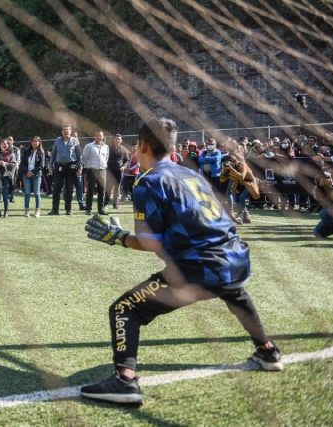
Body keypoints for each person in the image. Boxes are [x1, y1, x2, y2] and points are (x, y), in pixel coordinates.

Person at [81, 117, 282, 405]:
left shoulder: (148, 182)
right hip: (236, 258)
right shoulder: (192, 174)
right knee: (233, 291)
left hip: (201, 268)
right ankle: (268, 351)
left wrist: (117, 236)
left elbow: (151, 242)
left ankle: (125, 380)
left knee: (124, 309)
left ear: (141, 146)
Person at [48, 124, 82, 216]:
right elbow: (53, 154)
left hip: (71, 167)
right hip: (59, 167)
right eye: (64, 130)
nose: (66, 131)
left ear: (70, 131)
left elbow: (79, 156)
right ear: (61, 131)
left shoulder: (75, 141)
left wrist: (80, 168)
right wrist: (50, 166)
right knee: (56, 189)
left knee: (69, 189)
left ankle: (68, 209)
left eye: (67, 129)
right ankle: (55, 210)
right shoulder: (57, 141)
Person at [220, 154, 261, 224]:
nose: (228, 164)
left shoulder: (242, 165)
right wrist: (224, 171)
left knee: (242, 197)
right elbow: (222, 180)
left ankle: (240, 215)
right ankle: (246, 216)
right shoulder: (227, 167)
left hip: (249, 183)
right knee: (237, 198)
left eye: (229, 162)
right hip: (239, 184)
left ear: (234, 162)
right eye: (226, 162)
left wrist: (231, 169)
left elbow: (241, 177)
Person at [82, 130, 110, 215]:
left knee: (102, 191)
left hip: (102, 170)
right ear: (94, 136)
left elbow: (106, 158)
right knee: (90, 190)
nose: (99, 137)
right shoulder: (89, 146)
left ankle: (101, 209)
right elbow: (84, 158)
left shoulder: (106, 147)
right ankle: (88, 209)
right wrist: (88, 166)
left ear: (103, 136)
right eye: (97, 135)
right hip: (92, 170)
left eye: (100, 135)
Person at [0, 138, 17, 217]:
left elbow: (14, 164)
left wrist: (5, 164)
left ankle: (6, 211)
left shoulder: (11, 154)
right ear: (0, 145)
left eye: (5, 144)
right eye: (2, 144)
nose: (3, 145)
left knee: (5, 194)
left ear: (8, 145)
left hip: (6, 177)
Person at [19, 136, 45, 218]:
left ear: (39, 142)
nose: (34, 143)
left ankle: (37, 210)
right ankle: (27, 211)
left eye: (36, 141)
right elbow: (22, 163)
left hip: (36, 175)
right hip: (26, 174)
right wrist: (27, 172)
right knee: (27, 193)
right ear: (31, 142)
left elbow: (41, 165)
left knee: (37, 193)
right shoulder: (26, 151)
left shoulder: (41, 152)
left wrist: (32, 172)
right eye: (33, 141)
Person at [104, 134, 129, 210]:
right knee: (108, 188)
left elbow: (127, 160)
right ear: (113, 140)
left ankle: (115, 204)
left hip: (119, 171)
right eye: (116, 139)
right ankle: (106, 204)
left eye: (119, 139)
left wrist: (124, 167)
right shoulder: (108, 148)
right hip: (110, 170)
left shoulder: (124, 149)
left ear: (121, 140)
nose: (117, 140)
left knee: (117, 188)